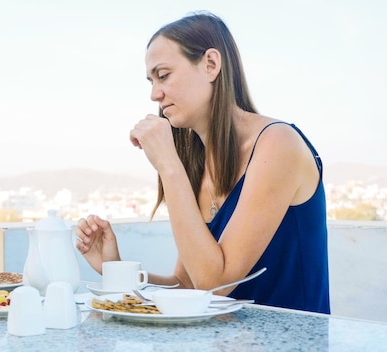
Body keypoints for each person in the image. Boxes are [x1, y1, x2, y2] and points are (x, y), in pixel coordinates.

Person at [75, 11, 330, 314]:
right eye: (151, 80)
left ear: (211, 64)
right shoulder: (198, 162)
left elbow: (217, 284)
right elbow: (188, 284)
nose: (155, 94)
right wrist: (115, 269)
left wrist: (169, 166)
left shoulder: (277, 143)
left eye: (164, 75)